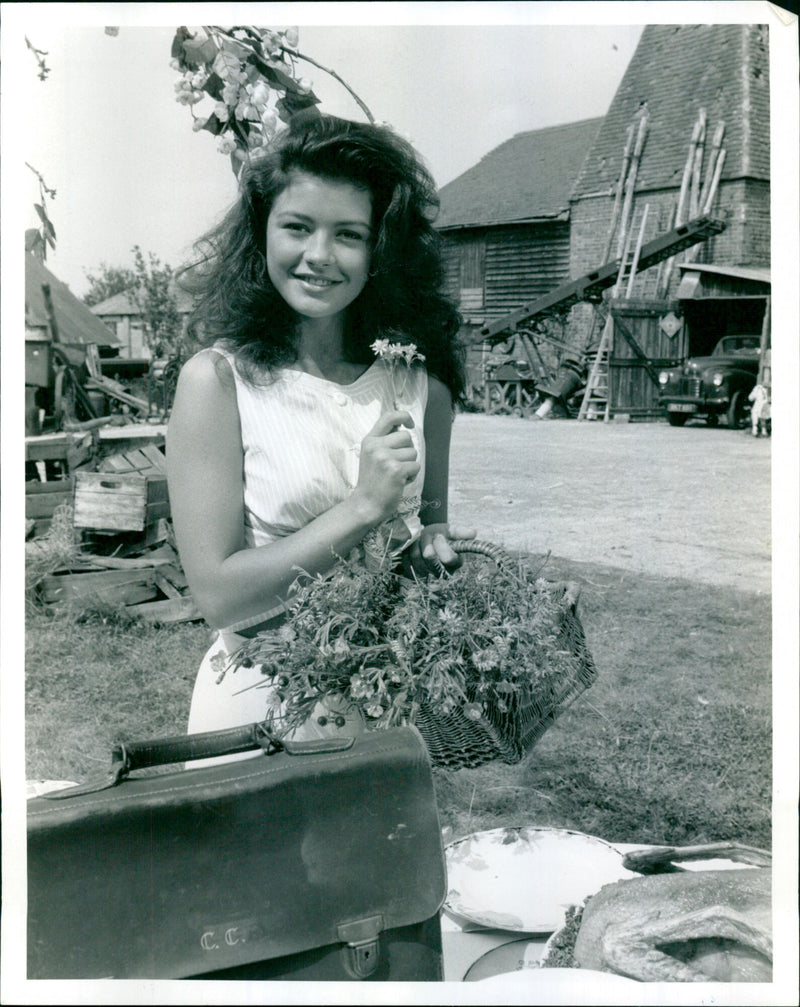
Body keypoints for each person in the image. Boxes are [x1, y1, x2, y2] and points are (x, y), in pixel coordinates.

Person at [166, 115, 470, 760]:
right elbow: (219, 597)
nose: (319, 256)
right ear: (263, 234)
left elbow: (429, 537)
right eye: (297, 227)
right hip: (259, 707)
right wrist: (363, 508)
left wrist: (439, 562)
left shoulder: (421, 386)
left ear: (381, 250)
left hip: (388, 712)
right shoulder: (218, 383)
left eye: (349, 235)